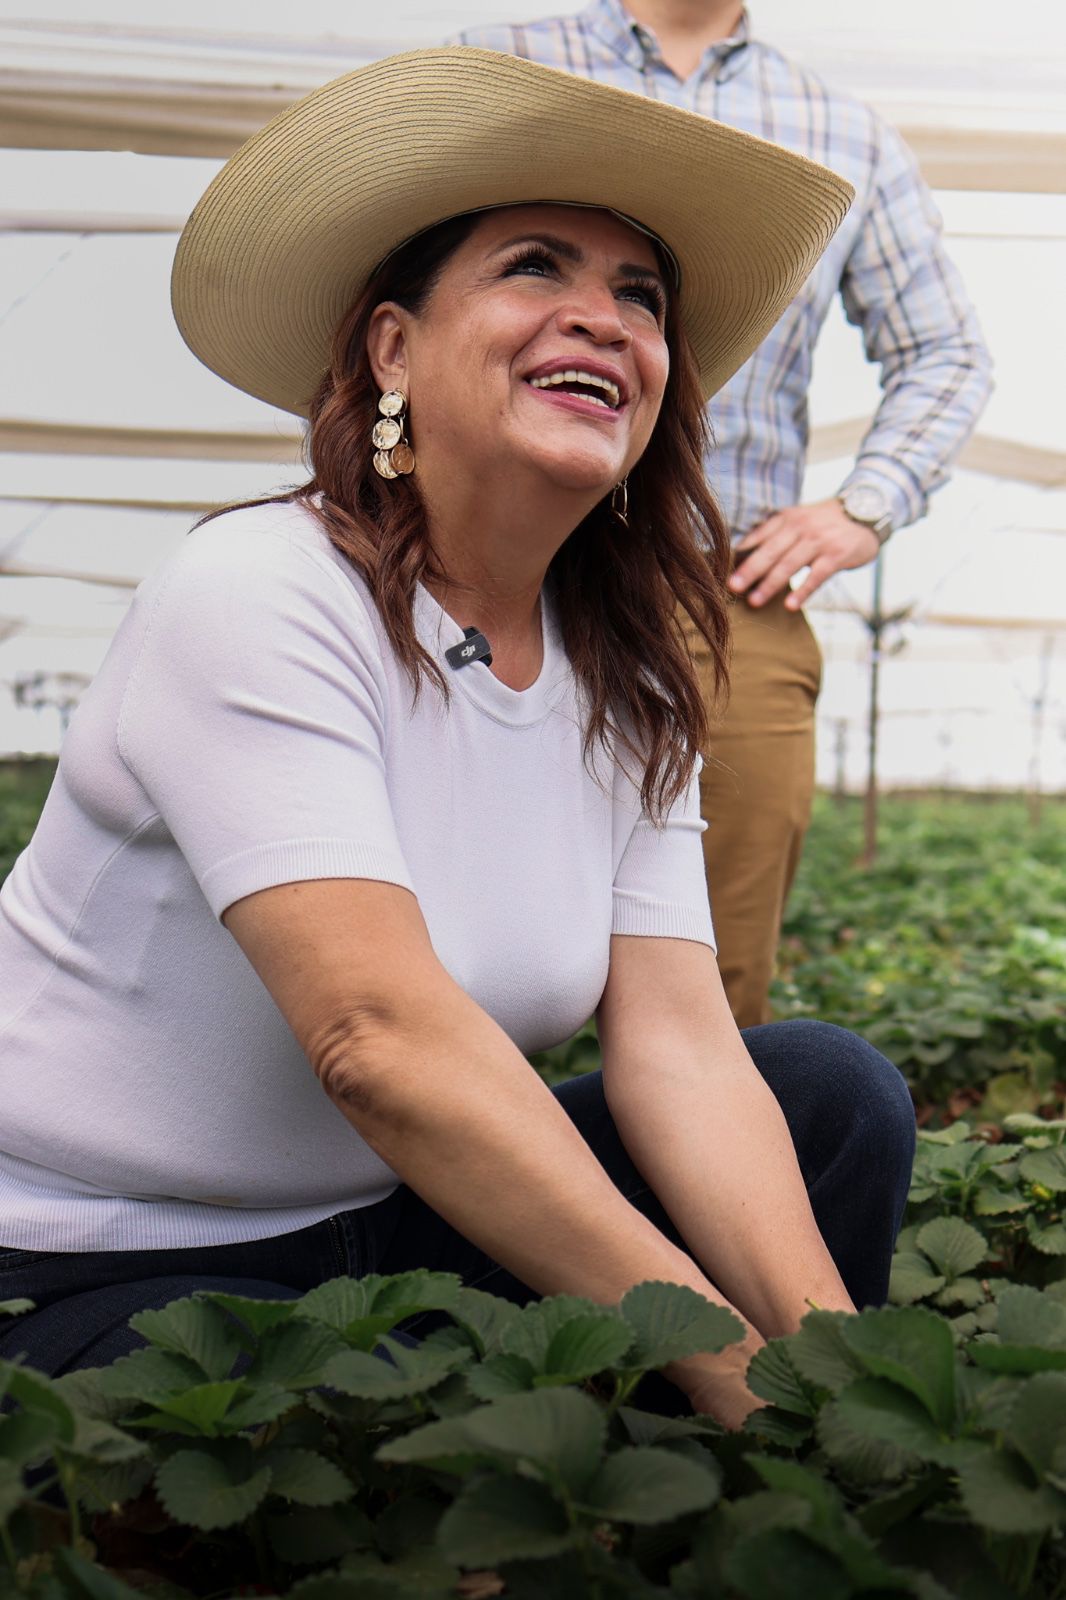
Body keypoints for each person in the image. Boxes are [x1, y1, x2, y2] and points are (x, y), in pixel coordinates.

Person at [0, 48, 915, 1429]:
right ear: (389, 349)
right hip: (109, 1264)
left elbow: (679, 1048)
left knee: (824, 1094)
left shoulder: (630, 678)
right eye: (536, 268)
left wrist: (840, 1382)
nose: (601, 318)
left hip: (384, 1232)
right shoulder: (261, 589)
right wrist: (735, 1372)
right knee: (383, 1428)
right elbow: (377, 1038)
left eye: (639, 297)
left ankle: (718, 1498)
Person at [450, 1, 993, 1027]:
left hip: (719, 588)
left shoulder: (841, 133)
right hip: (493, 574)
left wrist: (859, 508)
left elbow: (948, 353)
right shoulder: (507, 65)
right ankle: (437, 1173)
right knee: (438, 922)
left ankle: (680, 1174)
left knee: (712, 981)